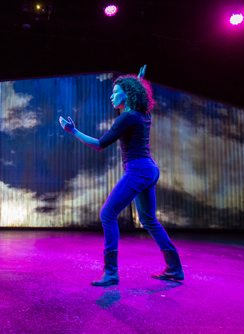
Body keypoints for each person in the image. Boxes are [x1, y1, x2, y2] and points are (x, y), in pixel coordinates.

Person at [59, 66, 184, 286]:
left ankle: (111, 273)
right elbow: (135, 94)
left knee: (107, 214)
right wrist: (137, 80)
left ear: (127, 95)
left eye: (115, 92)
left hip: (138, 170)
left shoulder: (127, 118)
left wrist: (73, 131)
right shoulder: (142, 115)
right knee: (149, 219)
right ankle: (174, 268)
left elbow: (99, 145)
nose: (111, 95)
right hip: (148, 169)